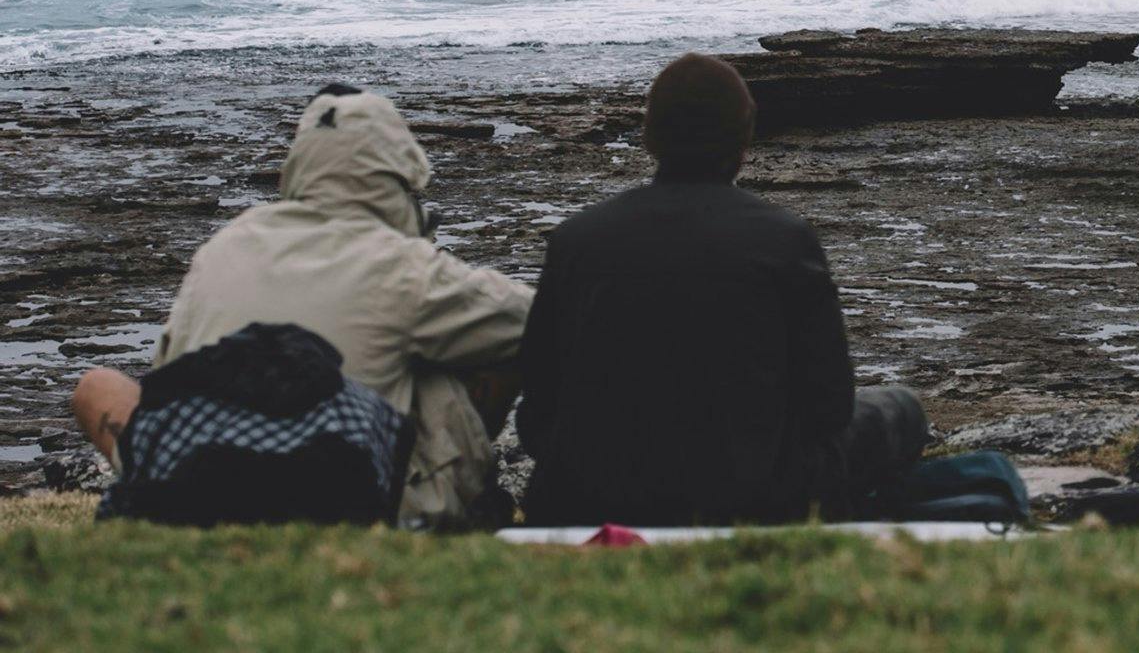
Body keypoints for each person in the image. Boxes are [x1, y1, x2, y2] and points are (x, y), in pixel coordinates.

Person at [72, 85, 532, 529]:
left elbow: (167, 376)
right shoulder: (401, 264)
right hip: (351, 493)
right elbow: (537, 319)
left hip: (198, 487)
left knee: (99, 386)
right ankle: (459, 505)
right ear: (401, 175)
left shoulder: (228, 243)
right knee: (461, 351)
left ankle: (166, 495)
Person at [517, 53, 927, 525]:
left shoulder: (576, 240)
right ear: (744, 142)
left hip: (594, 495)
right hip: (755, 497)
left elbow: (538, 406)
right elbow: (830, 407)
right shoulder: (784, 238)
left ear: (649, 138)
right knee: (902, 410)